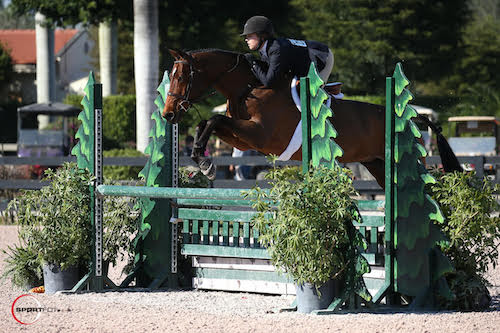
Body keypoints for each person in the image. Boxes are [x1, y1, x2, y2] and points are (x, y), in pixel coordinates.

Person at [241, 15, 334, 88]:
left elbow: (269, 82)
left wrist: (254, 63)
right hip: (306, 63)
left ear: (262, 36)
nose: (246, 39)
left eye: (249, 36)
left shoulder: (276, 49)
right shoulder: (265, 49)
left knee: (311, 97)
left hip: (321, 56)